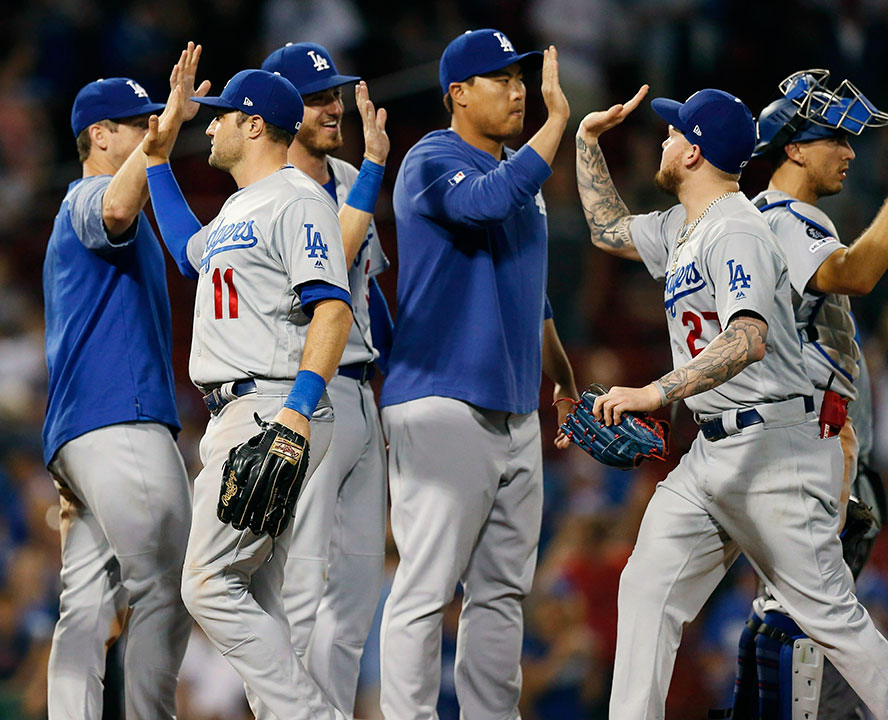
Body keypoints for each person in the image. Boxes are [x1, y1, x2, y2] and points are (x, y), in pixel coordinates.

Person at [573, 83, 888, 718]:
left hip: (775, 450)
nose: (662, 141)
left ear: (692, 152)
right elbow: (607, 230)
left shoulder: (739, 229)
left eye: (671, 134)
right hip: (714, 452)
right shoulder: (683, 228)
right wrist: (585, 141)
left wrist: (654, 390)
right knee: (646, 589)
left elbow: (747, 338)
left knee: (833, 623)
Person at [142, 53, 355, 718]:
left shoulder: (299, 199)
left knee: (207, 587)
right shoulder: (244, 204)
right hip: (241, 408)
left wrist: (296, 408)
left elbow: (333, 308)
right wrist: (154, 163)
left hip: (269, 405)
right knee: (261, 596)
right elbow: (187, 250)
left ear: (255, 124)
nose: (209, 129)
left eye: (220, 118)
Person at [378, 29, 578, 720]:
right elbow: (484, 205)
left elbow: (533, 288)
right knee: (426, 589)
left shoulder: (523, 173)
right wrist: (556, 126)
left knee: (500, 593)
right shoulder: (430, 159)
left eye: (521, 77)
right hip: (441, 400)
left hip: (516, 408)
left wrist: (561, 374)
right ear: (457, 93)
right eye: (500, 79)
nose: (519, 89)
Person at [718, 69, 888, 720]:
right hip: (811, 455)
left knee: (783, 617)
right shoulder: (782, 217)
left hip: (800, 451)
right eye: (834, 139)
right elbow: (857, 273)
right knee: (810, 636)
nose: (849, 152)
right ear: (793, 147)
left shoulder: (765, 220)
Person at [41, 63, 199, 718]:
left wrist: (155, 139)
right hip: (118, 422)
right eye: (137, 124)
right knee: (169, 587)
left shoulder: (85, 209)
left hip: (80, 437)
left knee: (84, 607)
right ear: (99, 134)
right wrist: (161, 140)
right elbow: (111, 206)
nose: (151, 132)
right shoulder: (88, 196)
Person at [259, 41, 391, 716]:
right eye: (315, 98)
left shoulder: (344, 172)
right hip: (307, 389)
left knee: (359, 589)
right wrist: (372, 170)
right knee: (302, 582)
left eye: (333, 93)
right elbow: (329, 268)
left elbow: (367, 289)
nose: (333, 106)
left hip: (362, 393)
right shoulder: (274, 188)